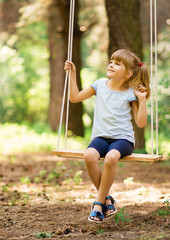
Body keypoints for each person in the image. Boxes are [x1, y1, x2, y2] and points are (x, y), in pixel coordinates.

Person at [64, 49, 151, 223]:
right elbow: (74, 98)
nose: (111, 64)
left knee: (111, 158)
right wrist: (72, 74)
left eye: (117, 64)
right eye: (111, 61)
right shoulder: (99, 85)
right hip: (101, 137)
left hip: (123, 139)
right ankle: (107, 200)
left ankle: (98, 204)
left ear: (128, 73)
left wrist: (141, 99)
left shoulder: (130, 93)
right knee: (88, 156)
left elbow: (140, 123)